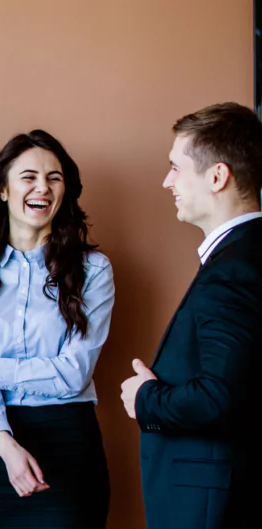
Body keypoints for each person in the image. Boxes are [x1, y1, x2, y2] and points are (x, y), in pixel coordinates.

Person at [0, 130, 113, 528]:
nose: (43, 187)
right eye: (29, 176)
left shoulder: (94, 271)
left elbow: (73, 374)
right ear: (3, 189)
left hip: (70, 442)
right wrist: (5, 447)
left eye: (54, 178)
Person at [120, 102, 261, 529]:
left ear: (217, 177)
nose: (168, 182)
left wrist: (145, 399)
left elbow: (221, 398)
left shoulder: (235, 269)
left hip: (210, 505)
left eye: (176, 168)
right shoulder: (243, 255)